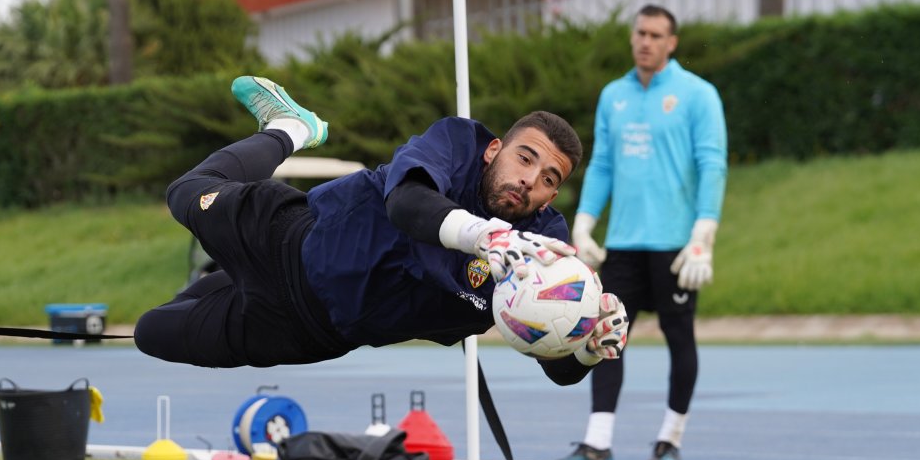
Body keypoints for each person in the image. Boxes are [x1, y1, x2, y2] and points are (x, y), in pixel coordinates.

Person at [135, 76, 630, 380]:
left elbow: (551, 352)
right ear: (494, 149)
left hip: (313, 331)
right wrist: (485, 235)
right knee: (187, 191)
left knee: (150, 331)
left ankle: (225, 286)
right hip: (285, 239)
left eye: (548, 179)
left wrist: (589, 347)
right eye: (525, 158)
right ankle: (291, 127)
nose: (529, 180)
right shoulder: (458, 144)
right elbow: (408, 204)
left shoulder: (548, 253)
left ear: (554, 196)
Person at [554, 5, 728, 460]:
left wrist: (703, 234)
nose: (645, 41)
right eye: (639, 33)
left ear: (672, 43)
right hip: (625, 244)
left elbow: (713, 164)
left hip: (674, 245)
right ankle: (597, 443)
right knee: (605, 334)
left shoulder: (698, 94)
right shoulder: (614, 95)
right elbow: (604, 164)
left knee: (679, 336)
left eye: (655, 35)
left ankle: (669, 440)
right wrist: (586, 221)